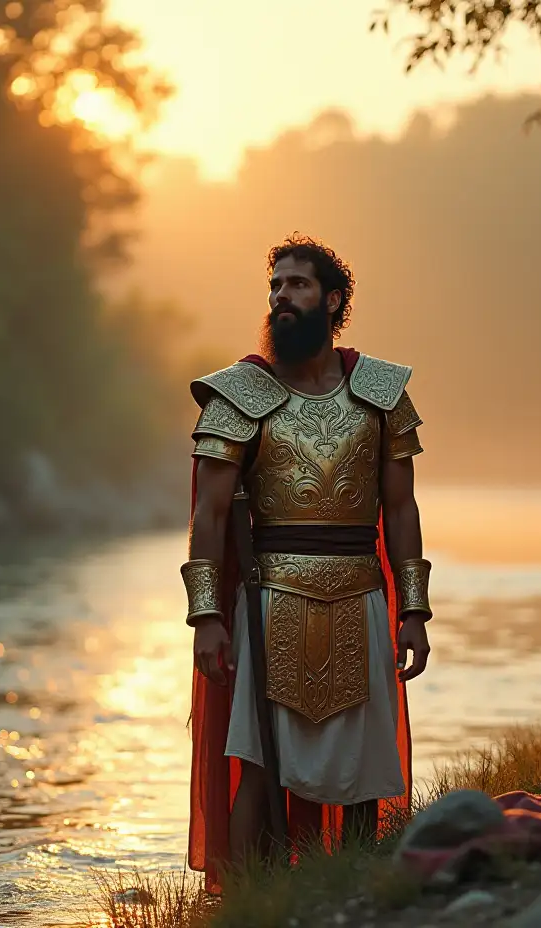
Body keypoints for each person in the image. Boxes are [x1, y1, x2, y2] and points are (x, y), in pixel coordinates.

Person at [180, 233, 431, 889]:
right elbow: (208, 515)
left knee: (361, 772)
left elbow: (400, 511)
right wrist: (207, 616)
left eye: (296, 285)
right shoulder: (241, 394)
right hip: (268, 600)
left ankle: (348, 891)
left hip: (362, 596)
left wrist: (414, 608)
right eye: (274, 287)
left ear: (334, 299)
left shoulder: (380, 391)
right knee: (260, 767)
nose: (280, 297)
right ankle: (244, 901)